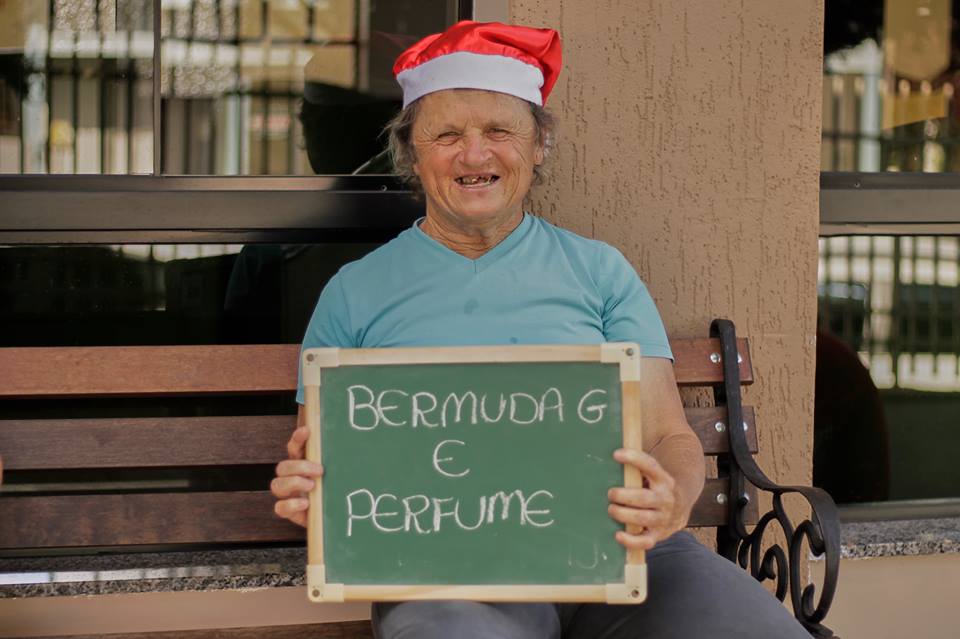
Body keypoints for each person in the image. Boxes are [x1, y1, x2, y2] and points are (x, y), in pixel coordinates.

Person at [271, 20, 811, 639]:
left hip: (625, 555)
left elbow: (669, 436)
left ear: (538, 146)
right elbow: (324, 465)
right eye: (447, 135)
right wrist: (316, 498)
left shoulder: (599, 272)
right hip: (446, 570)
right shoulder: (354, 293)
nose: (474, 155)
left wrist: (673, 496)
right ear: (411, 155)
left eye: (499, 131)